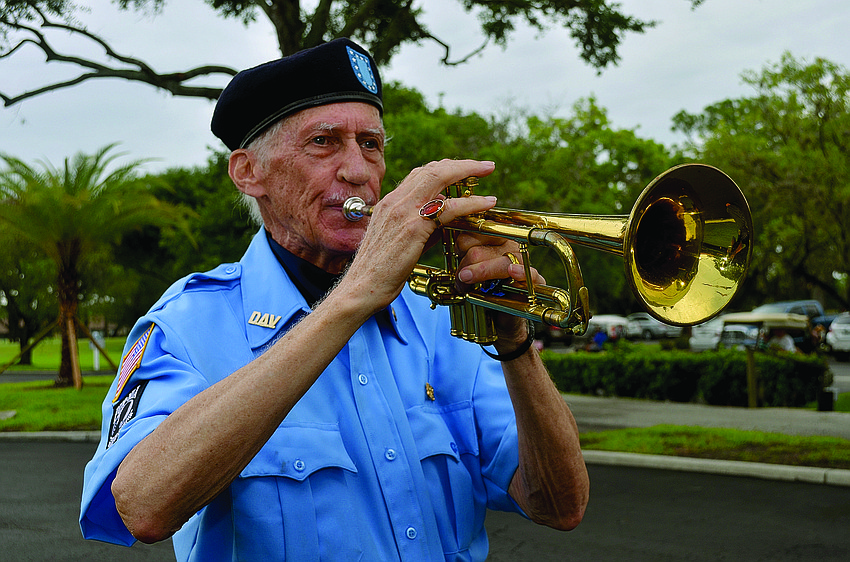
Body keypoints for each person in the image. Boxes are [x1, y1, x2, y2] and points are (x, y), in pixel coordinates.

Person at [80, 38, 589, 561]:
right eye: (323, 142)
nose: (358, 170)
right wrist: (355, 295)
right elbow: (141, 506)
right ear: (248, 172)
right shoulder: (185, 323)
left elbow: (559, 504)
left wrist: (514, 338)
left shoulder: (439, 316)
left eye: (371, 143)